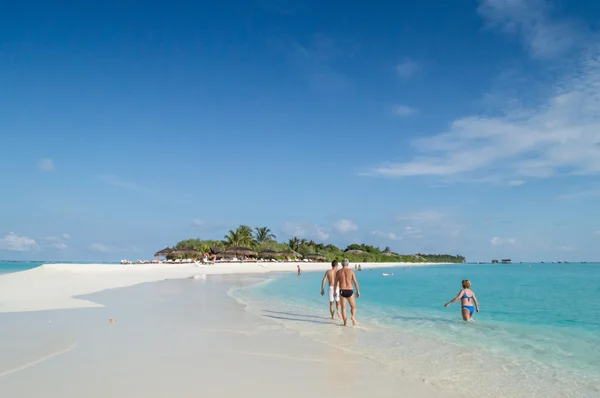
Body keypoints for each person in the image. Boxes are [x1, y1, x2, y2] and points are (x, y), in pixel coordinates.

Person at [335, 258, 360, 326]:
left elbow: (335, 283)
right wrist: (358, 291)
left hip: (342, 291)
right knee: (353, 307)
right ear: (348, 264)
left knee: (343, 308)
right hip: (349, 290)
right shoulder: (351, 271)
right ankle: (353, 317)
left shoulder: (338, 272)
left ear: (341, 264)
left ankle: (345, 323)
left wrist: (335, 291)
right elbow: (355, 282)